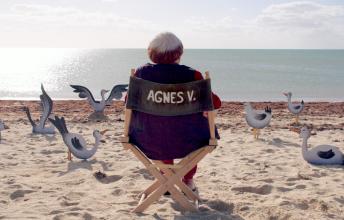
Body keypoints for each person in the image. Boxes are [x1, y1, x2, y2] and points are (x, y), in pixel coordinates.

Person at [129, 32, 221, 191]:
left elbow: (128, 102)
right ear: (179, 54)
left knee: (163, 128)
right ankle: (187, 179)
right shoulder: (193, 75)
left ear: (151, 53)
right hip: (188, 140)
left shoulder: (141, 74)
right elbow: (216, 103)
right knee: (190, 134)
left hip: (147, 137)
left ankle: (166, 178)